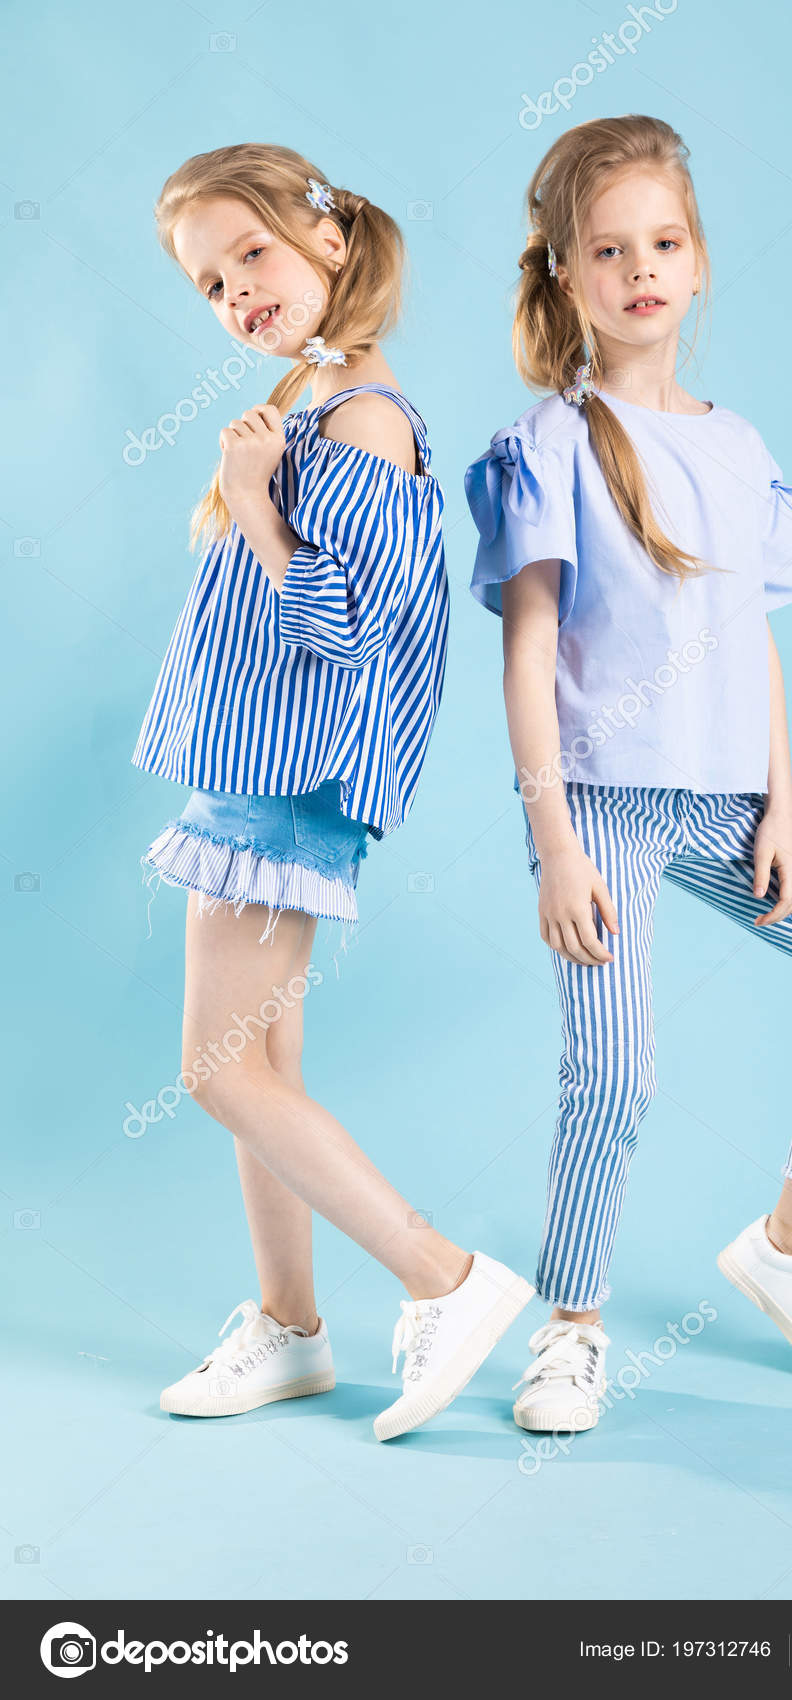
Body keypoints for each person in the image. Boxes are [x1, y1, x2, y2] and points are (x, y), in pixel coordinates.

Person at [464, 115, 792, 1435]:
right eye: (608, 250)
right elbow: (531, 646)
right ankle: (572, 1328)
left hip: (730, 802)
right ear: (566, 276)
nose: (640, 268)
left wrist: (783, 804)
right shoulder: (550, 439)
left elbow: (751, 638)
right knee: (614, 1076)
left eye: (663, 242)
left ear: (702, 260)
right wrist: (552, 839)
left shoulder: (736, 446)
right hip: (601, 806)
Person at [132, 143, 532, 1441]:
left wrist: (254, 504)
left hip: (281, 785)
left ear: (329, 241)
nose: (236, 292)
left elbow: (345, 630)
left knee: (217, 1071)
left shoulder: (360, 419)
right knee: (265, 1064)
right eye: (209, 283)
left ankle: (447, 1279)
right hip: (255, 776)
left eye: (250, 253)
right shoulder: (316, 407)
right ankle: (291, 1330)